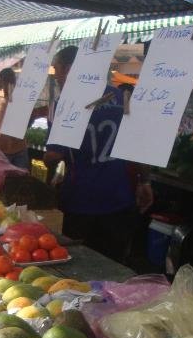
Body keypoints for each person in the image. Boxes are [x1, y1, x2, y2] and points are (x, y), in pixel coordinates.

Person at [44, 45, 154, 264]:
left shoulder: (63, 106)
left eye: (57, 71)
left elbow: (54, 156)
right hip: (118, 198)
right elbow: (136, 145)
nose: (56, 78)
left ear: (69, 69)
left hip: (80, 201)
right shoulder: (122, 97)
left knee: (81, 266)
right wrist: (145, 181)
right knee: (113, 265)